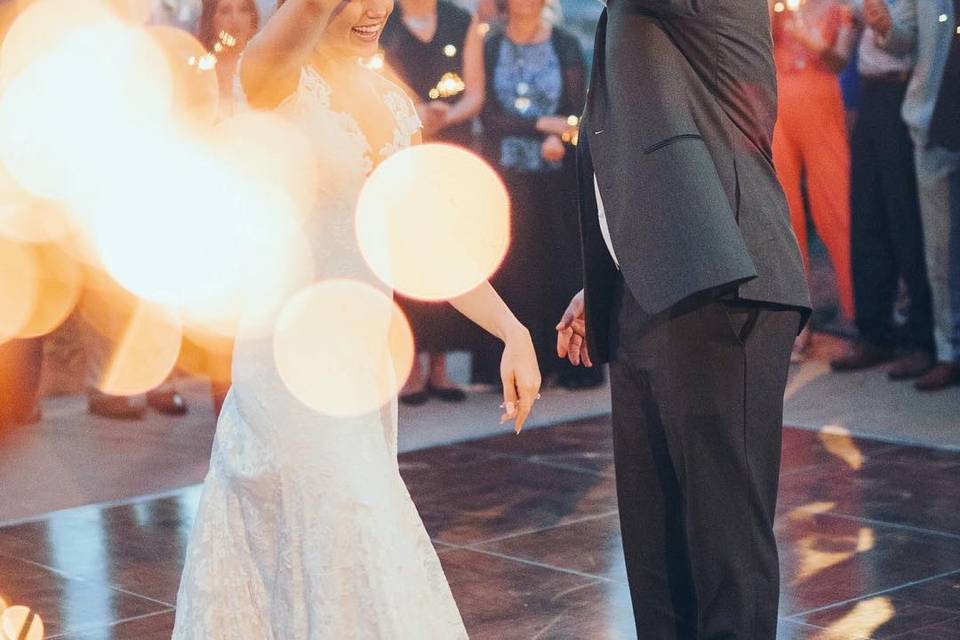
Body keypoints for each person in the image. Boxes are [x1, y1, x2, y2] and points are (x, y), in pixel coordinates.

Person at [171, 0, 542, 635]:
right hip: (288, 373)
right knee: (357, 534)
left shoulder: (395, 102)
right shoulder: (271, 75)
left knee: (325, 555)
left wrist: (513, 329)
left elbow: (424, 247)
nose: (374, 10)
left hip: (364, 372)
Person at [556, 0, 810, 636]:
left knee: (724, 547)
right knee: (654, 547)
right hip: (655, 283)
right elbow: (642, 142)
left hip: (725, 278)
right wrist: (608, 277)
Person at [472, 0, 601, 389]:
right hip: (507, 175)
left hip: (556, 172)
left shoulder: (564, 43)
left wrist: (559, 133)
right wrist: (540, 125)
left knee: (559, 263)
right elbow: (489, 115)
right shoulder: (490, 44)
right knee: (514, 266)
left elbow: (577, 110)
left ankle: (566, 360)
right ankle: (515, 362)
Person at [380, 0, 484, 404]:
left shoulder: (462, 20)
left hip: (450, 146)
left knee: (447, 255)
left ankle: (441, 367)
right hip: (399, 147)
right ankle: (411, 368)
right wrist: (411, 114)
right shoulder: (381, 17)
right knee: (405, 255)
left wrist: (447, 114)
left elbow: (475, 91)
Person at [830, 0, 935, 379]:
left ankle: (922, 339)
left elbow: (908, 40)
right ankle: (874, 332)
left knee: (905, 221)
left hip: (901, 96)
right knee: (867, 216)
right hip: (871, 96)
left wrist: (883, 23)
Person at [865, 0, 960, 391]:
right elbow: (904, 41)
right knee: (940, 252)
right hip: (936, 122)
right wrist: (884, 26)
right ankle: (949, 351)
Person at [771, 0, 857, 360]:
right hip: (777, 105)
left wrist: (810, 41)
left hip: (822, 101)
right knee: (783, 214)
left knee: (836, 210)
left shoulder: (843, 8)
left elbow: (840, 59)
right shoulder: (772, 6)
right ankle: (797, 325)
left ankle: (856, 314)